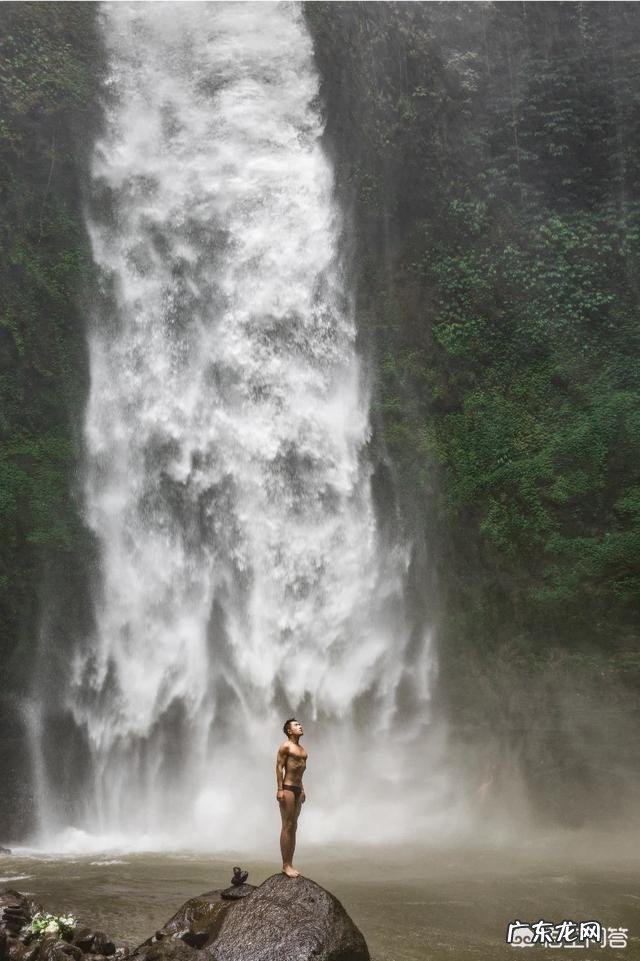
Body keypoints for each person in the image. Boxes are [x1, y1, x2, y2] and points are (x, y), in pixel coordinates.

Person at [275, 717, 307, 877]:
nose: (300, 726)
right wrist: (280, 789)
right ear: (289, 730)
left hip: (297, 789)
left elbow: (300, 772)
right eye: (296, 725)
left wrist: (302, 789)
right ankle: (285, 865)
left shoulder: (301, 749)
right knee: (287, 825)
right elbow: (279, 767)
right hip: (287, 788)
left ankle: (290, 862)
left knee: (294, 826)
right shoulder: (286, 746)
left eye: (300, 724)